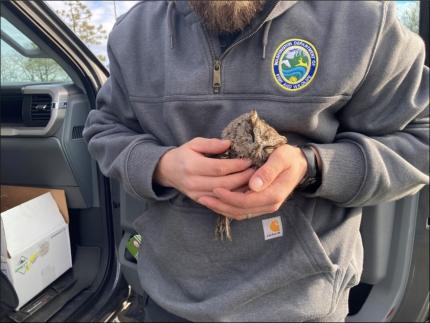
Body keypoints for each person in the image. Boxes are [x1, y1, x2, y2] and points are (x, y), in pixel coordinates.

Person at [83, 1, 429, 321]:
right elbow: (104, 127)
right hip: (170, 297)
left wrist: (313, 168)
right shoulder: (134, 32)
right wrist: (160, 166)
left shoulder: (360, 19)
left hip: (301, 304)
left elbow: (421, 137)